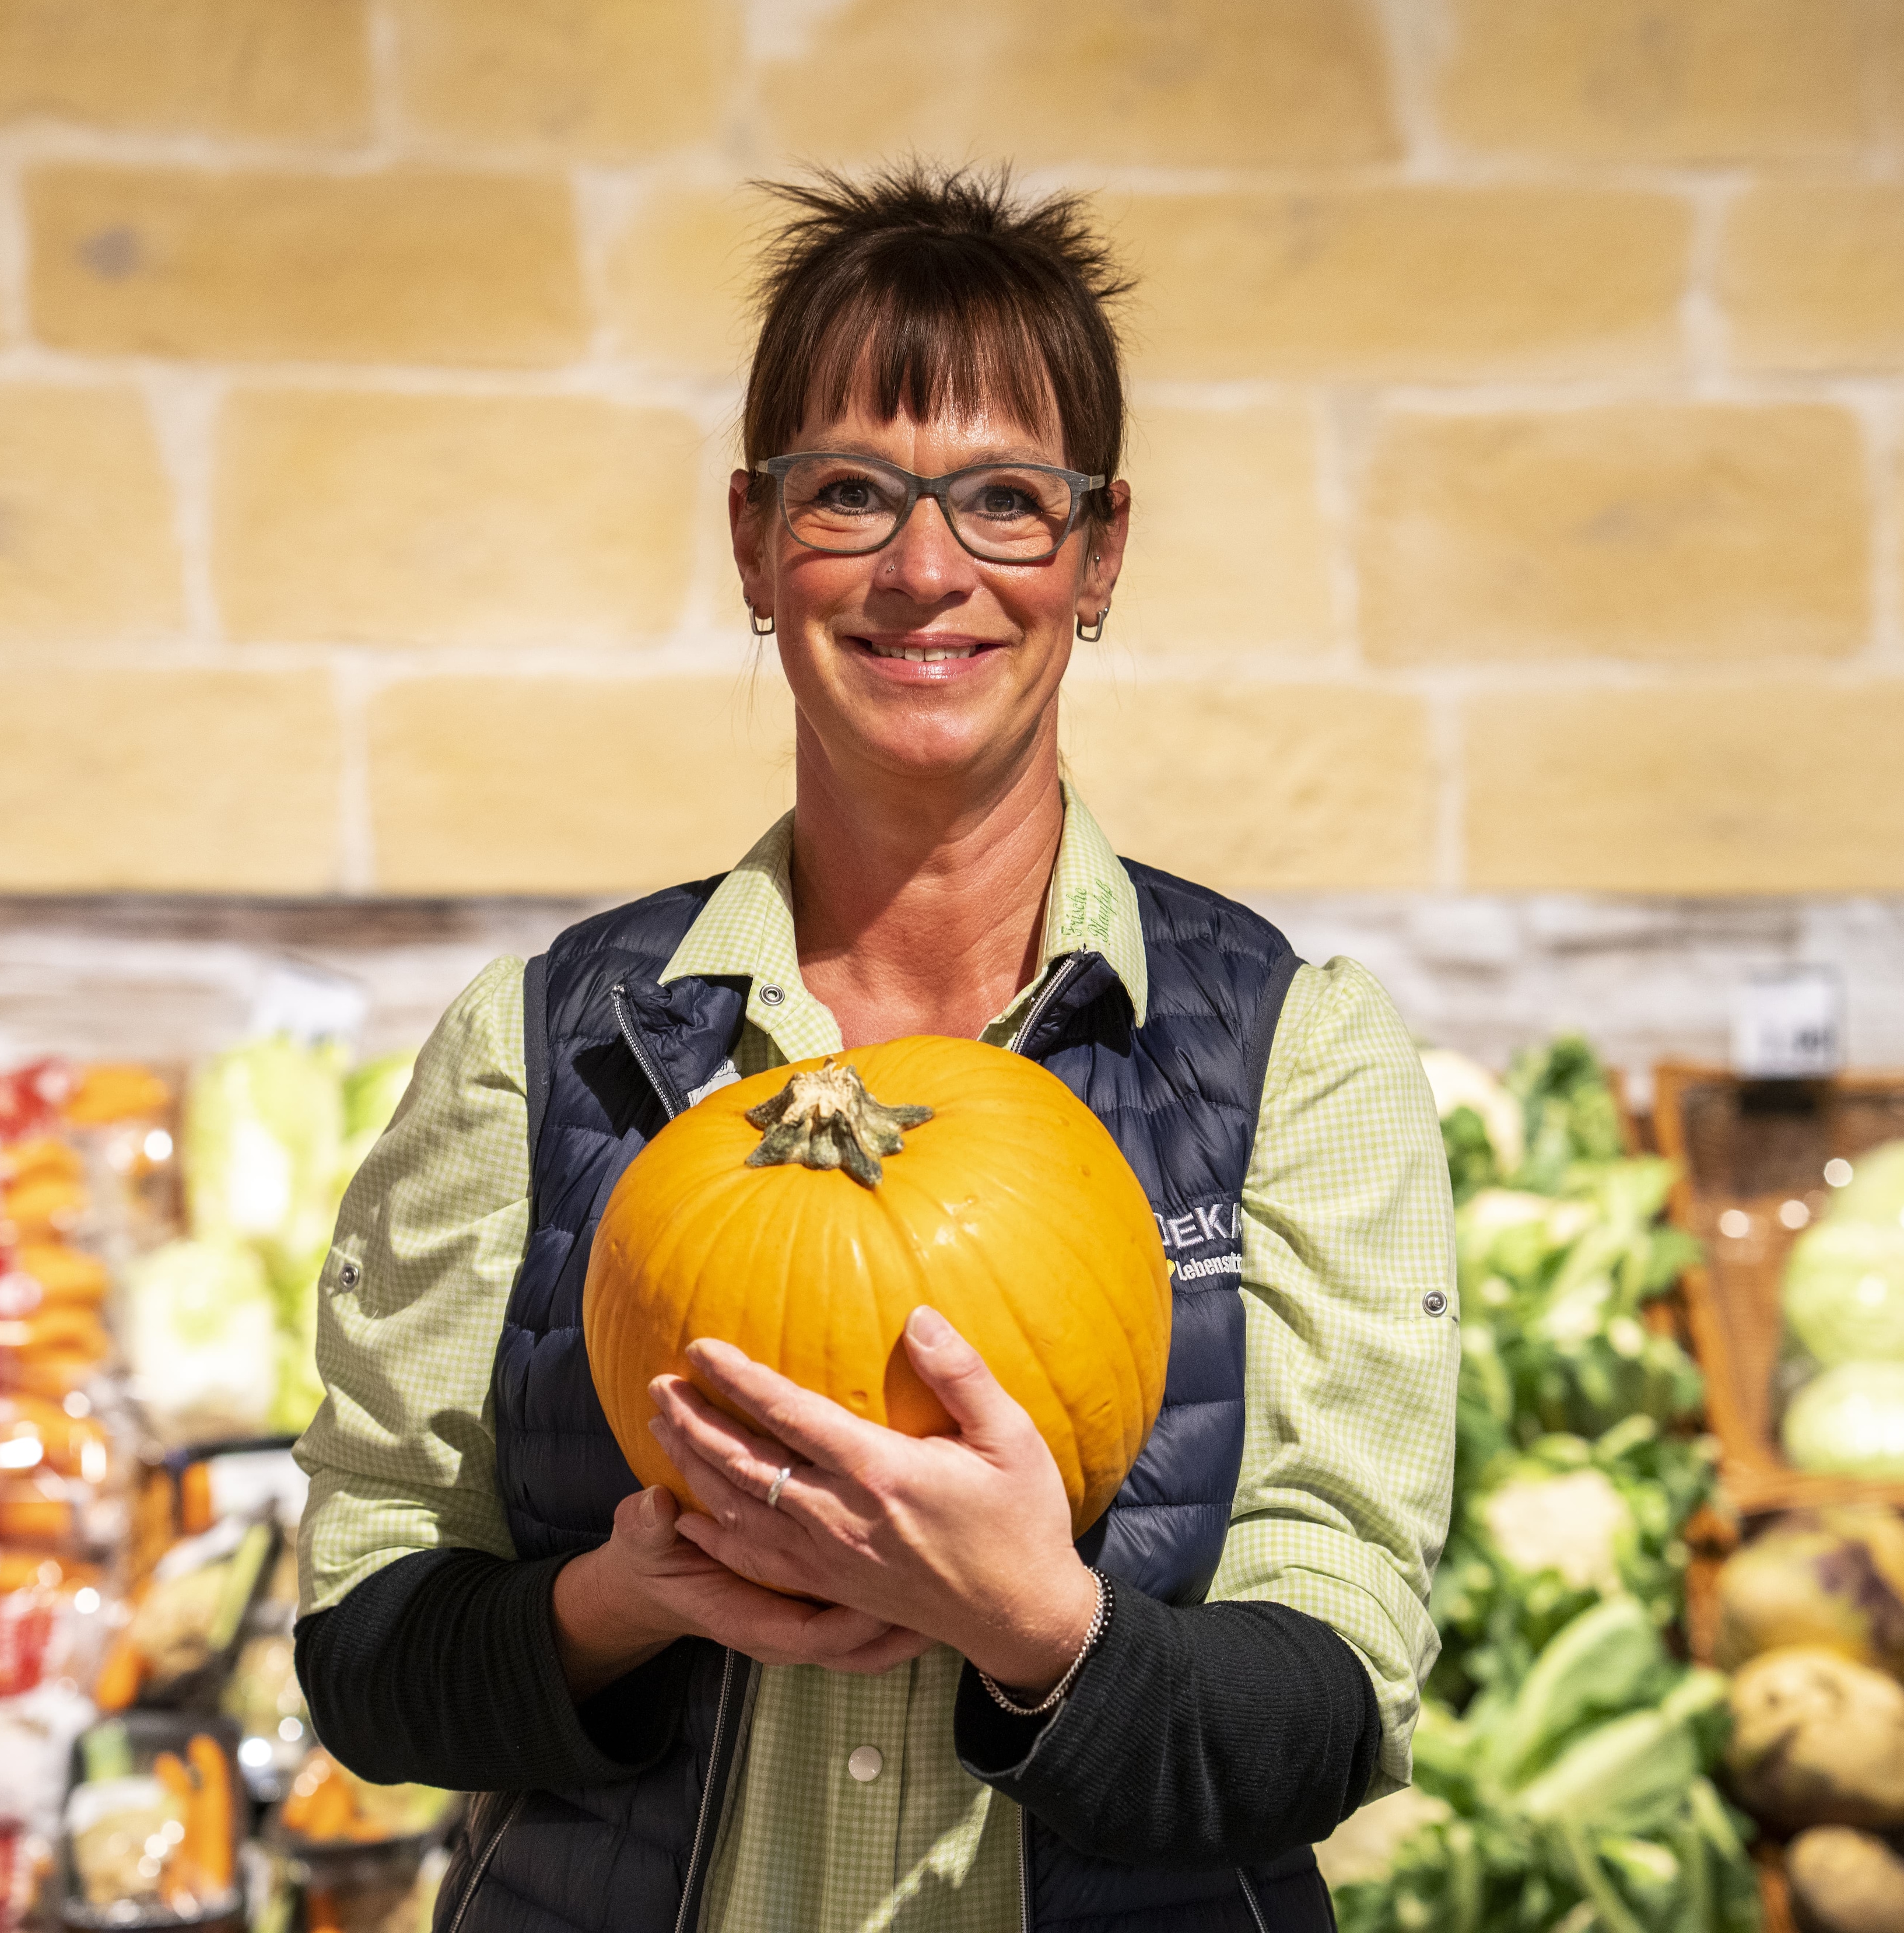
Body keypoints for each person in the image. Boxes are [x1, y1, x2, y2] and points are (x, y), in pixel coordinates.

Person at [293, 164, 1457, 1933]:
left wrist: (1042, 1629)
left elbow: (1332, 1711)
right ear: (756, 542)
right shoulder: (544, 1052)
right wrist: (625, 1600)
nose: (927, 572)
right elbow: (370, 1655)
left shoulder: (1295, 1059)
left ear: (1098, 553)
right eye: (853, 494)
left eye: (1004, 501)